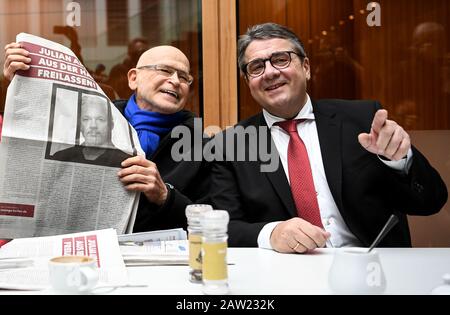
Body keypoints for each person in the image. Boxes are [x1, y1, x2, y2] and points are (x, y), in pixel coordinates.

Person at [209, 23, 448, 253]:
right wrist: (272, 234)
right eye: (256, 67)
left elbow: (431, 202)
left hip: (375, 271)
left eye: (281, 59)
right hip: (286, 275)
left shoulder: (363, 121)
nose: (270, 72)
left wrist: (400, 160)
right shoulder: (231, 145)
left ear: (306, 67)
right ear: (248, 82)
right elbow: (223, 226)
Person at [3, 42, 209, 232]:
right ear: (133, 78)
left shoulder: (203, 146)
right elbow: (37, 123)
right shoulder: (91, 120)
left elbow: (213, 222)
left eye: (184, 77)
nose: (175, 81)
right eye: (165, 70)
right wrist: (22, 80)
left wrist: (165, 196)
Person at [50, 94, 131, 167]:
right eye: (86, 119)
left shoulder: (126, 163)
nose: (93, 126)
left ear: (111, 125)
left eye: (100, 119)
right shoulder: (61, 157)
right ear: (80, 125)